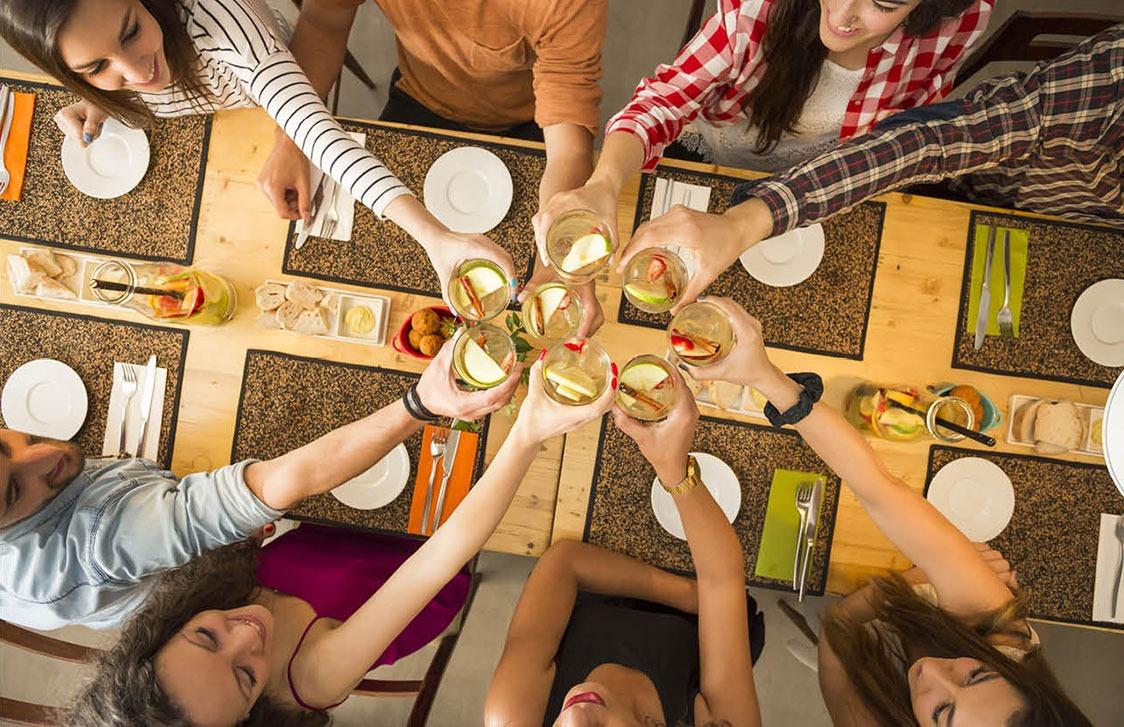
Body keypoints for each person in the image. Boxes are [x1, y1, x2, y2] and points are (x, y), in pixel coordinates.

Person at [68, 354, 617, 726]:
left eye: (207, 637)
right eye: (245, 675)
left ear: (160, 634)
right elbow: (437, 559)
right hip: (416, 561)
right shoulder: (312, 678)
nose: (246, 634)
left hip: (341, 524)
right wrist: (530, 432)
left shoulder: (176, 599)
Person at [686, 296, 1091, 726]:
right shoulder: (1001, 637)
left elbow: (836, 630)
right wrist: (766, 377)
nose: (935, 671)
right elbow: (878, 488)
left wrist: (913, 582)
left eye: (940, 712)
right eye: (975, 674)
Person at [0, 0, 515, 295]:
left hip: (275, 92)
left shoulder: (226, 30)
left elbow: (320, 135)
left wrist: (435, 238)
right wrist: (102, 100)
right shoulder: (113, 65)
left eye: (132, 32)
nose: (138, 74)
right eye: (95, 66)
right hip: (229, 126)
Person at [0, 341, 520, 630]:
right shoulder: (106, 539)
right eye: (15, 491)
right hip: (213, 591)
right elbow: (284, 483)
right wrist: (422, 405)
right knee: (404, 549)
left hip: (165, 542)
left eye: (8, 447)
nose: (47, 452)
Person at [621, 25, 1124, 310]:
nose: (841, 17)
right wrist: (741, 223)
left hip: (1076, 255)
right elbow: (928, 141)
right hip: (974, 197)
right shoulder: (1106, 84)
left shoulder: (929, 47)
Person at [535, 0, 991, 275]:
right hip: (715, 153)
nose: (844, 16)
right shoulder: (759, 7)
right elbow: (665, 100)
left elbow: (914, 132)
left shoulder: (960, 20)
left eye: (884, 5)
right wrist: (605, 182)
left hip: (836, 181)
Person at [258, 0, 610, 335]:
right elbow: (323, 21)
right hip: (418, 98)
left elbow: (567, 152)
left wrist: (560, 253)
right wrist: (290, 139)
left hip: (533, 120)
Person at [485, 371, 763, 727]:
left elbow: (565, 562)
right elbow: (723, 579)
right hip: (706, 582)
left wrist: (691, 597)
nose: (573, 717)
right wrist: (672, 468)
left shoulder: (512, 715)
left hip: (620, 566)